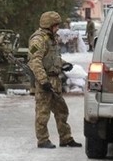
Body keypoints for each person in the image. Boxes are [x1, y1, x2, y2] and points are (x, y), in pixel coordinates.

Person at [28, 11, 82, 149]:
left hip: (55, 81)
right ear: (48, 25)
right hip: (44, 82)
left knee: (62, 110)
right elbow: (34, 61)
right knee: (42, 112)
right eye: (55, 25)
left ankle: (65, 138)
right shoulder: (38, 40)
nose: (57, 28)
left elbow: (52, 57)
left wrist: (63, 64)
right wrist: (43, 80)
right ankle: (42, 140)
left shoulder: (52, 38)